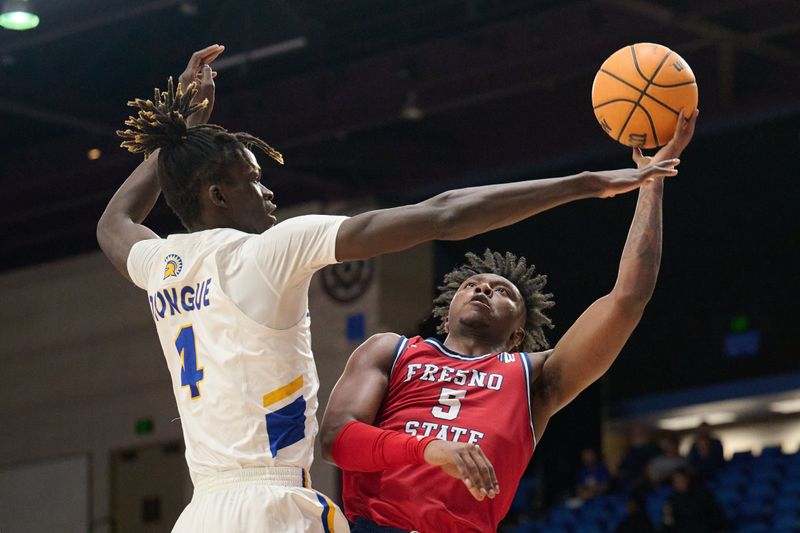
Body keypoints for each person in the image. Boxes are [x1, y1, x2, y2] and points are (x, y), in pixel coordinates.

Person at [97, 42, 685, 533]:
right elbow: (444, 214)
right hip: (275, 504)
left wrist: (181, 132)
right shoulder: (278, 256)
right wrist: (589, 182)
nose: (269, 193)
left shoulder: (162, 264)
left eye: (500, 290)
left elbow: (113, 224)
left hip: (204, 511)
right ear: (219, 196)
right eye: (254, 181)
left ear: (520, 322)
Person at [319, 111, 698, 532]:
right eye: (473, 284)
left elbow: (628, 299)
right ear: (447, 313)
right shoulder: (390, 350)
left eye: (502, 292)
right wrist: (430, 449)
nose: (482, 289)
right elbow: (336, 441)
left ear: (518, 333)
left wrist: (651, 182)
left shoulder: (536, 378)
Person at [661, 468, 728, 533]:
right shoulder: (671, 500)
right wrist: (668, 517)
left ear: (687, 479)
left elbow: (716, 515)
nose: (679, 483)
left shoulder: (702, 495)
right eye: (676, 482)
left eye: (682, 480)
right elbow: (668, 524)